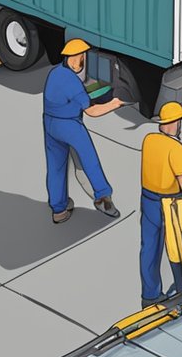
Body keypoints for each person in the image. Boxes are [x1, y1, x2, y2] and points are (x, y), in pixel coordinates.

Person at [44, 38, 124, 224]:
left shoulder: (55, 74)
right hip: (70, 125)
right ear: (77, 56)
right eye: (83, 56)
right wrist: (116, 103)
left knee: (55, 166)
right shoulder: (72, 82)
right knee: (89, 160)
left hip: (49, 124)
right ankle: (103, 198)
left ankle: (59, 210)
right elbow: (93, 111)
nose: (85, 59)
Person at [138, 102, 182, 307]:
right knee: (177, 247)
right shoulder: (176, 148)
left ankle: (150, 295)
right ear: (175, 122)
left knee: (149, 248)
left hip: (147, 199)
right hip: (168, 203)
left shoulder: (149, 140)